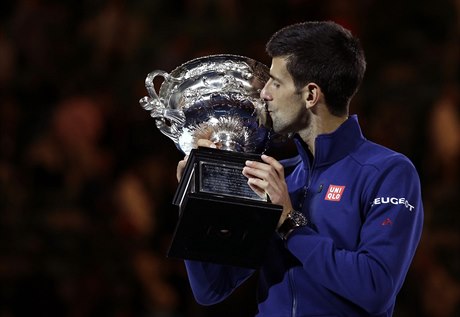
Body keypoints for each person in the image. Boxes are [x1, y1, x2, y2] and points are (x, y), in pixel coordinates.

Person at [176, 21, 423, 317]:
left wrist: (291, 224)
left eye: (276, 83)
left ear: (310, 95)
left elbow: (375, 288)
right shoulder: (280, 176)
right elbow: (212, 289)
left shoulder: (388, 173)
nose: (264, 94)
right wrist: (198, 199)